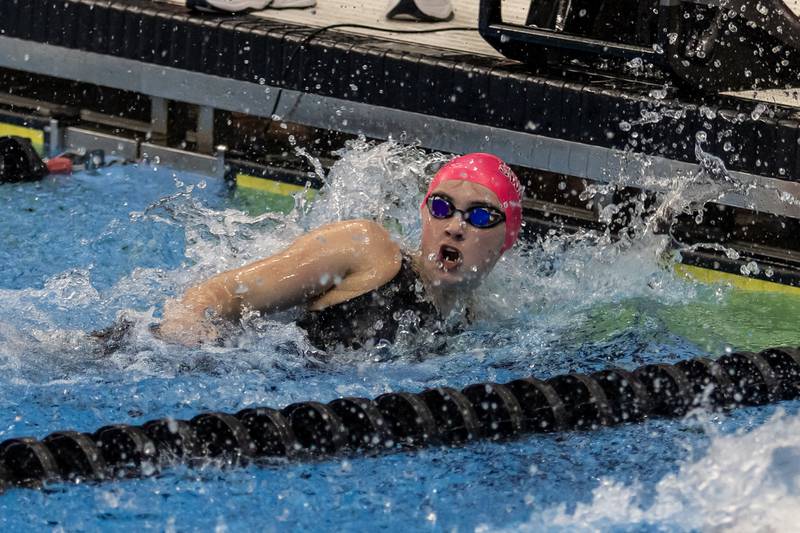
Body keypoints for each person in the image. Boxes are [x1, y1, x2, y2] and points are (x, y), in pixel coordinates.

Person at [156, 153, 524, 350]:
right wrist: (187, 320)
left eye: (479, 215)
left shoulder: (476, 318)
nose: (455, 227)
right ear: (425, 214)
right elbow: (224, 293)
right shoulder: (368, 248)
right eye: (442, 207)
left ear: (507, 238)